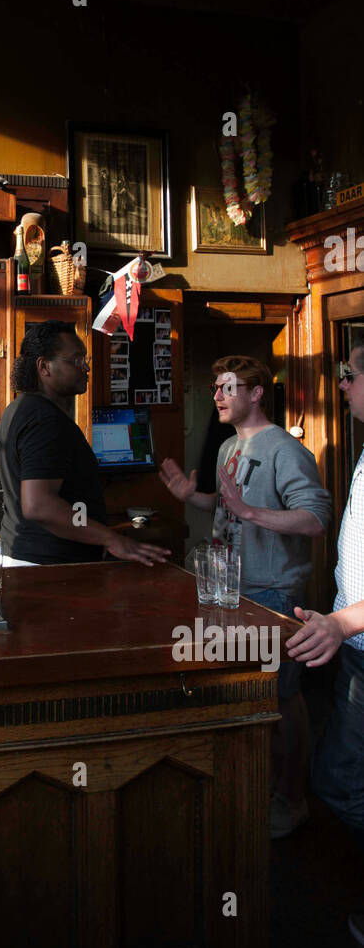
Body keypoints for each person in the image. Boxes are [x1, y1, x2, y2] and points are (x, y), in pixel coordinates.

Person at [159, 355, 331, 839]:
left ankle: (291, 800)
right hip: (230, 591)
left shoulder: (285, 450)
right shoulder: (228, 447)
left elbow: (315, 519)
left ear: (255, 394)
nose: (217, 395)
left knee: (282, 698)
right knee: (244, 695)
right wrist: (192, 498)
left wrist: (252, 512)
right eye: (215, 387)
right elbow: (227, 505)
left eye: (227, 387)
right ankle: (256, 788)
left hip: (273, 592)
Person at [287, 344, 364, 947]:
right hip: (357, 648)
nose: (341, 385)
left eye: (350, 374)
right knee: (339, 778)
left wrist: (341, 624)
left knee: (339, 780)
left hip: (356, 642)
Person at [0, 321, 169, 568]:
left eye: (84, 359)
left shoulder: (21, 408)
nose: (86, 367)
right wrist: (109, 538)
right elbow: (39, 505)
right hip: (46, 567)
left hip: (32, 558)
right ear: (44, 367)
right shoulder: (44, 420)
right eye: (76, 360)